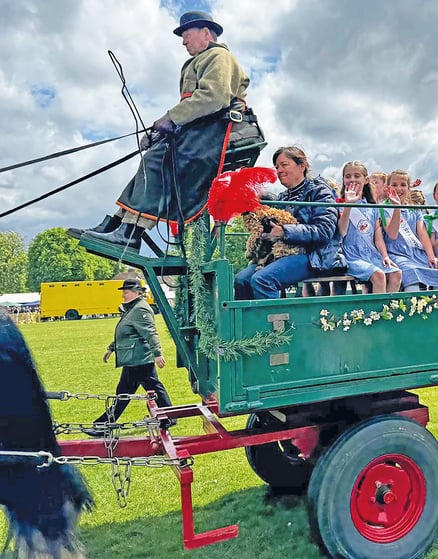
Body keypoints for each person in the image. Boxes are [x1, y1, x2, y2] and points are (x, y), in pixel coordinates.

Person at [70, 11, 252, 250]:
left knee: (157, 160)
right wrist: (162, 131)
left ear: (206, 33)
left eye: (186, 35)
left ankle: (131, 232)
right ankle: (117, 224)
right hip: (199, 131)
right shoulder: (203, 59)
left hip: (214, 134)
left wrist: (170, 118)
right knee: (152, 158)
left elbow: (213, 98)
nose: (183, 42)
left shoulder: (218, 56)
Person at [234, 146, 347, 299]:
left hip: (315, 254)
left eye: (284, 165)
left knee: (262, 280)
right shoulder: (282, 197)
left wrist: (285, 232)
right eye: (277, 167)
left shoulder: (320, 191)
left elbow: (324, 231)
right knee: (241, 280)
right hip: (284, 253)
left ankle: (274, 322)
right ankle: (248, 322)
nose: (279, 170)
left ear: (302, 166)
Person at [82, 279, 173, 437]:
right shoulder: (132, 309)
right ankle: (169, 418)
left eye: (127, 291)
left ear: (138, 292)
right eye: (123, 291)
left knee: (124, 393)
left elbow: (151, 333)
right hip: (135, 358)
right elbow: (126, 334)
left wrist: (157, 354)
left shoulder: (139, 309)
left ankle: (104, 425)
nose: (123, 294)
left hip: (138, 359)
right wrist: (111, 348)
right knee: (151, 387)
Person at [339, 161, 402, 293]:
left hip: (371, 254)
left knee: (396, 274)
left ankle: (389, 310)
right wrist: (348, 205)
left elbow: (378, 238)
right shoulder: (339, 204)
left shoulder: (372, 207)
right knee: (379, 275)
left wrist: (385, 256)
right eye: (348, 176)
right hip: (351, 255)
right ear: (343, 179)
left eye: (357, 176)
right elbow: (342, 232)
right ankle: (376, 313)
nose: (352, 179)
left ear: (366, 180)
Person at [383, 169, 438, 291]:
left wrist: (431, 256)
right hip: (397, 253)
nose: (399, 189)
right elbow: (392, 234)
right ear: (388, 187)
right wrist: (397, 208)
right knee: (412, 276)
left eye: (403, 185)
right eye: (394, 185)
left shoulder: (414, 209)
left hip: (416, 253)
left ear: (408, 188)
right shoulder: (384, 208)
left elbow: (422, 234)